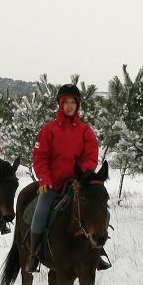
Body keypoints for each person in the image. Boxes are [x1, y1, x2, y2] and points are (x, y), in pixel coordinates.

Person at [26, 84, 111, 272]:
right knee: (39, 215)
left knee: (104, 213)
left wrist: (81, 176)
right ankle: (34, 255)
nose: (70, 106)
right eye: (66, 102)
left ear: (78, 105)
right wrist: (45, 179)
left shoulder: (85, 131)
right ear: (60, 104)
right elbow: (40, 158)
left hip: (78, 184)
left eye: (73, 102)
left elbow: (90, 156)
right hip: (54, 184)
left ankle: (98, 250)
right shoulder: (48, 130)